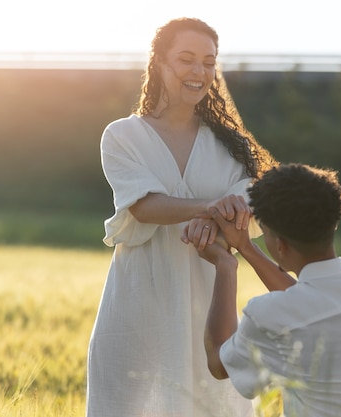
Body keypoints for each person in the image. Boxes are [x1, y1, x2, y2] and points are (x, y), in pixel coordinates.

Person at [86, 17, 276, 417]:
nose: (199, 72)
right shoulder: (122, 136)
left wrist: (224, 212)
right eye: (186, 59)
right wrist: (213, 207)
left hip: (211, 304)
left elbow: (244, 213)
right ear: (158, 63)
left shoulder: (233, 146)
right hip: (139, 300)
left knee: (211, 402)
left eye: (208, 62)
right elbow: (143, 205)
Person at [185, 163, 341, 417]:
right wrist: (246, 247)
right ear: (333, 223)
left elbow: (219, 363)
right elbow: (312, 304)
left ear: (280, 245)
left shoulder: (269, 314)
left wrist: (226, 265)